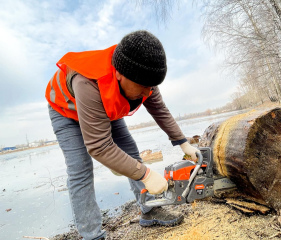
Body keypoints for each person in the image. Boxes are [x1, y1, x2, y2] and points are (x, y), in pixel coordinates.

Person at [45, 30, 199, 240]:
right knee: (80, 169)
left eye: (151, 87)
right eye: (143, 87)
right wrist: (146, 174)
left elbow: (159, 110)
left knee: (130, 153)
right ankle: (93, 235)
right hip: (66, 111)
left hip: (106, 104)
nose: (147, 93)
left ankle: (148, 210)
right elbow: (99, 146)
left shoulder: (143, 76)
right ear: (119, 74)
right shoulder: (88, 82)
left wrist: (183, 143)